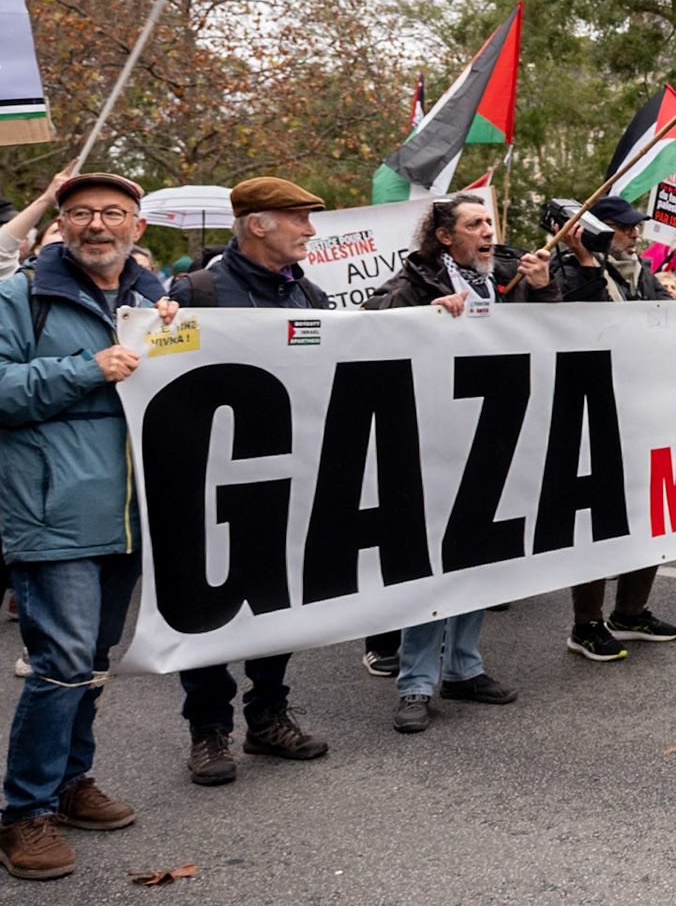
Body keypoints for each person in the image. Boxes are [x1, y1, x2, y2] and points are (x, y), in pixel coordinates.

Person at [0, 173, 179, 880]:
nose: (96, 225)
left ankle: (71, 783)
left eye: (113, 213)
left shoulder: (153, 303)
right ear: (62, 225)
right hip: (53, 512)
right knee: (63, 664)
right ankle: (24, 814)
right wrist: (88, 368)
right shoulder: (21, 298)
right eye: (80, 213)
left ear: (138, 228)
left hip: (128, 518)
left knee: (91, 664)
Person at [364, 193, 555, 733]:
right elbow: (368, 325)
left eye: (490, 221)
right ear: (445, 236)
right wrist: (423, 316)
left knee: (478, 559)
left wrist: (543, 290)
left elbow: (553, 337)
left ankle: (463, 668)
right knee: (434, 566)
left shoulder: (501, 277)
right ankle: (416, 684)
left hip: (493, 439)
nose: (489, 232)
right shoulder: (415, 283)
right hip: (433, 446)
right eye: (475, 224)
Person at [167, 178, 333, 785]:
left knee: (275, 600)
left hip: (285, 477)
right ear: (258, 224)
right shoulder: (197, 291)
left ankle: (267, 715)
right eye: (299, 220)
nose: (311, 231)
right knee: (207, 605)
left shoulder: (308, 294)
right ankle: (209, 730)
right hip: (206, 482)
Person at [546, 195, 676, 661]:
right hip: (593, 412)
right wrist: (585, 259)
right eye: (625, 228)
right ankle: (586, 623)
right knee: (599, 521)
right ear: (597, 228)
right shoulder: (563, 268)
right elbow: (585, 323)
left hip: (643, 409)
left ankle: (631, 611)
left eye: (634, 228)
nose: (635, 235)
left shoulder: (640, 272)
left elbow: (666, 317)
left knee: (649, 513)